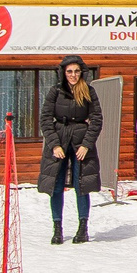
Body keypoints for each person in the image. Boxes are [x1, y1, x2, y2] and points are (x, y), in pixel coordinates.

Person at [37, 56, 101, 244]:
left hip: (81, 140)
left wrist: (86, 145)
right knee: (56, 186)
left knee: (81, 184)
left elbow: (97, 119)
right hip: (59, 138)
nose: (73, 75)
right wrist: (54, 144)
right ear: (64, 73)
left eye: (76, 71)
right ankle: (57, 228)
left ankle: (83, 228)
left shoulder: (89, 91)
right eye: (69, 72)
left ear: (82, 73)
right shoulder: (55, 92)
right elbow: (45, 119)